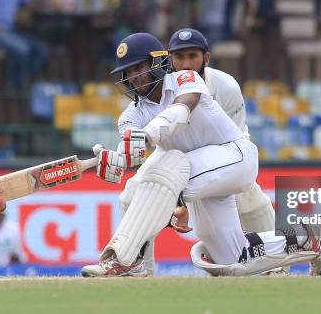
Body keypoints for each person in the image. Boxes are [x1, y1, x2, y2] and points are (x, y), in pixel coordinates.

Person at [81, 32, 321, 277]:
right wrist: (116, 161)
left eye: (139, 68)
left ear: (158, 63)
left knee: (165, 166)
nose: (134, 78)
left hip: (235, 157)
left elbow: (181, 110)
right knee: (231, 259)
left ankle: (125, 257)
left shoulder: (185, 80)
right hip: (200, 175)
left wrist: (146, 136)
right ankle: (304, 238)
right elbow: (131, 150)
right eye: (129, 72)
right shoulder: (130, 115)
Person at [113, 28, 277, 276]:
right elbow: (134, 143)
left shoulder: (218, 84)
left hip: (225, 153)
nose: (185, 64)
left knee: (250, 200)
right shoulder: (137, 107)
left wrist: (180, 195)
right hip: (177, 154)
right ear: (169, 58)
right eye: (179, 57)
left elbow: (193, 116)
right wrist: (115, 158)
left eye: (192, 56)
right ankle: (139, 269)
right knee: (130, 196)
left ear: (206, 58)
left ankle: (276, 269)